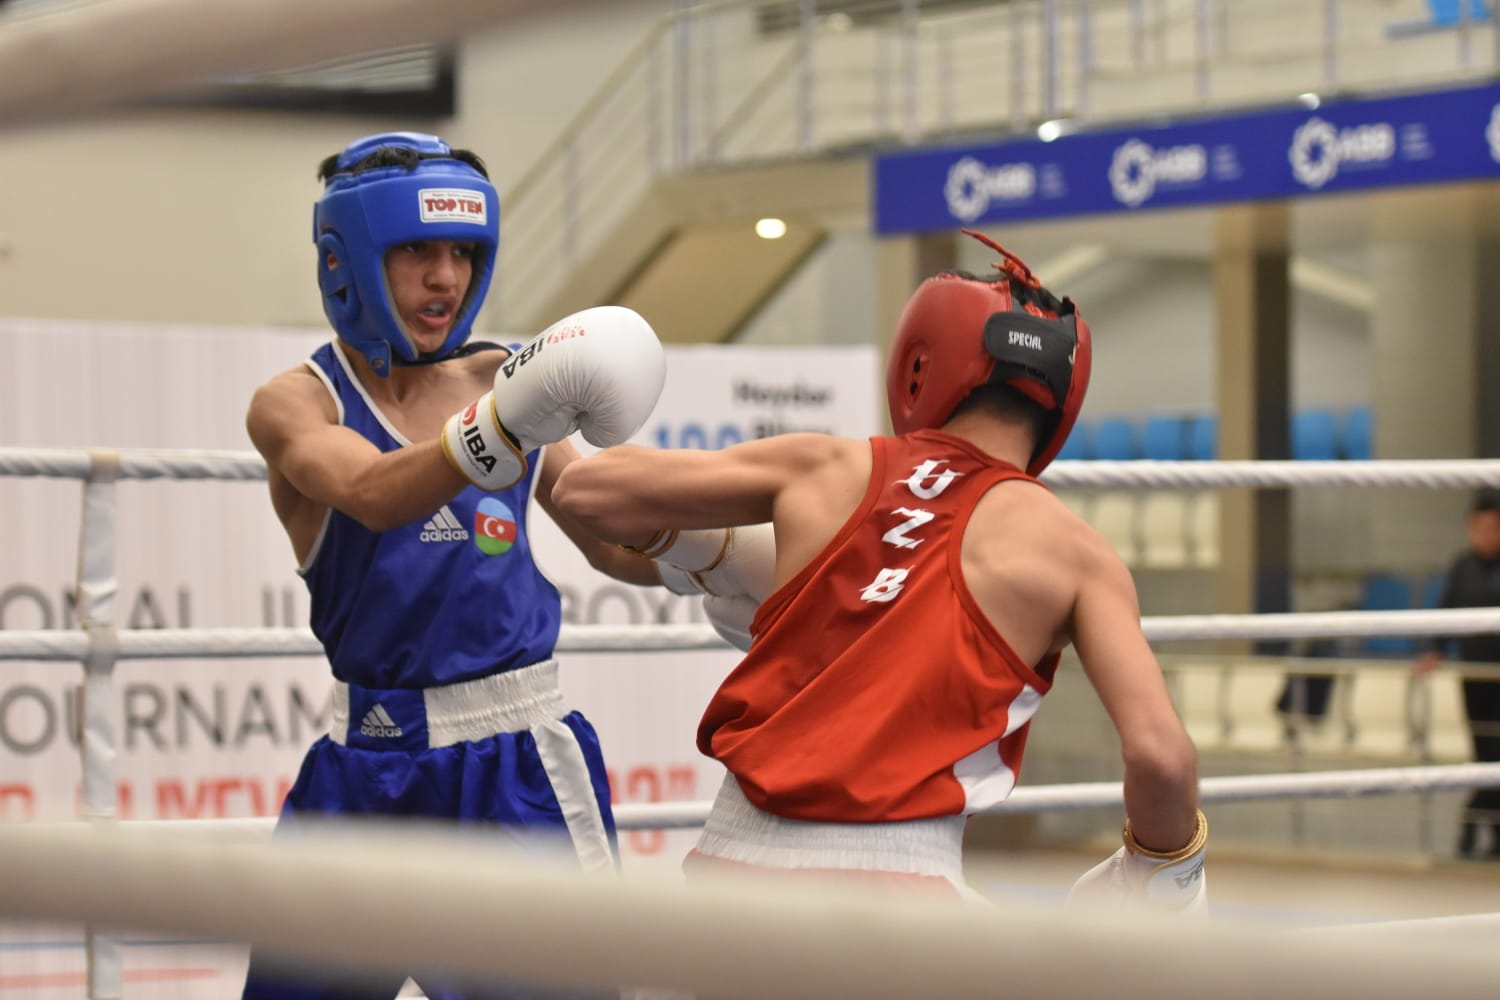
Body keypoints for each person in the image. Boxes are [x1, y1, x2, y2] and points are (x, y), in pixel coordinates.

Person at [552, 229, 1206, 910]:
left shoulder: (826, 467)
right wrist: (1166, 873)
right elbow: (1162, 758)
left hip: (727, 875)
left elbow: (587, 494)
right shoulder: (1077, 553)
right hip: (904, 895)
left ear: (921, 361)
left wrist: (520, 414)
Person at [241, 131, 669, 999]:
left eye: (463, 254)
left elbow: (607, 532)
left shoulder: (505, 378)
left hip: (512, 767)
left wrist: (715, 553)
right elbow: (368, 490)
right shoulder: (299, 402)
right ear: (347, 262)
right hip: (360, 772)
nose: (446, 279)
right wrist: (502, 424)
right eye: (416, 252)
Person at [1414, 487, 1500, 860]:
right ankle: (1485, 834)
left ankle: (1471, 826)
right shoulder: (1463, 565)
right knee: (1485, 755)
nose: (1486, 536)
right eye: (1479, 528)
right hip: (1475, 679)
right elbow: (1445, 610)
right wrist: (1436, 649)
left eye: (1494, 528)